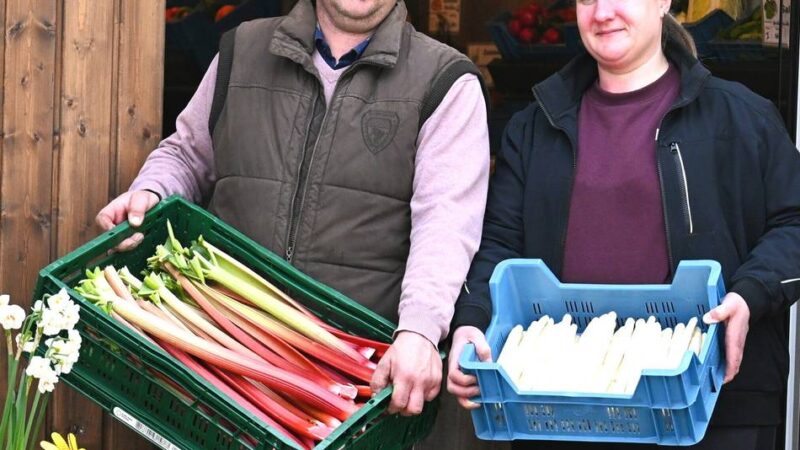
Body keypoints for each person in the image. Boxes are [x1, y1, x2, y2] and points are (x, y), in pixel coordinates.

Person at [96, 0, 490, 416]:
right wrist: (151, 191)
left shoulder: (445, 80)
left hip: (347, 393)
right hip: (223, 368)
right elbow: (186, 155)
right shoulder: (241, 49)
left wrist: (420, 329)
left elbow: (445, 225)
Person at [447, 0, 800, 448]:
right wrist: (473, 318)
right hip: (563, 414)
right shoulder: (534, 126)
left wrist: (749, 294)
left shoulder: (741, 118)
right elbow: (498, 242)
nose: (603, 12)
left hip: (713, 412)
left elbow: (793, 222)